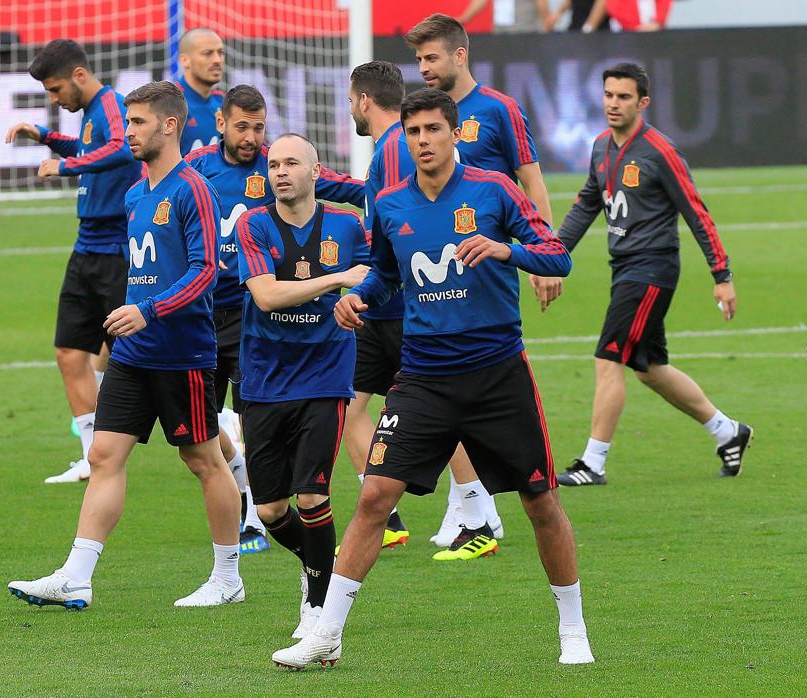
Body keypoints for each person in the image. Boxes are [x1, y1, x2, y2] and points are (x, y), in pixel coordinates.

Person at [270, 88, 593, 668]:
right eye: (413, 132)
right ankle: (326, 636)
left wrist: (504, 250)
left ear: (454, 133)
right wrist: (357, 299)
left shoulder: (495, 190)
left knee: (541, 500)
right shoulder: (390, 204)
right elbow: (385, 277)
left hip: (497, 374)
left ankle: (573, 629)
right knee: (373, 496)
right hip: (423, 377)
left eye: (432, 131)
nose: (422, 141)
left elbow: (557, 257)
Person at [8, 81, 245, 609]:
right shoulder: (137, 193)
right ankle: (77, 574)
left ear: (169, 125)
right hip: (134, 355)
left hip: (180, 353)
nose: (128, 131)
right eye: (128, 121)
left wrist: (148, 309)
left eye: (137, 123)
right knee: (104, 453)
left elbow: (207, 272)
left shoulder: (193, 189)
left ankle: (228, 576)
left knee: (203, 459)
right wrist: (133, 311)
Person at [543, 62, 749, 486]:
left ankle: (592, 463)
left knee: (608, 357)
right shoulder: (601, 146)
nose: (613, 104)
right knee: (650, 369)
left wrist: (721, 274)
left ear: (643, 102)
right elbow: (586, 205)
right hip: (624, 269)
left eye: (623, 97)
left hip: (651, 270)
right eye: (608, 95)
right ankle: (727, 431)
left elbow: (696, 213)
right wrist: (552, 254)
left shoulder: (660, 151)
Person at [185, 84, 366, 552]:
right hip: (206, 313)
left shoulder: (287, 166)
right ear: (220, 124)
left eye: (258, 127)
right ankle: (256, 500)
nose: (251, 137)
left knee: (259, 425)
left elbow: (351, 191)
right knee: (200, 430)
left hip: (274, 331)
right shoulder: (198, 170)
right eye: (241, 126)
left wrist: (388, 191)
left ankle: (274, 532)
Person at [408, 12, 557, 545]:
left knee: (476, 379)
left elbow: (530, 179)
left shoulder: (498, 110)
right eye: (419, 59)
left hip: (484, 270)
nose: (423, 68)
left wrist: (536, 253)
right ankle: (470, 502)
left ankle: (480, 502)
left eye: (431, 57)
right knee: (441, 379)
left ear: (460, 55)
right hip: (430, 274)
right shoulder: (423, 118)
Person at [236, 133, 370, 639]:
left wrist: (364, 295)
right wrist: (337, 280)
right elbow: (267, 296)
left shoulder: (347, 224)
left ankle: (316, 609)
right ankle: (323, 562)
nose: (280, 172)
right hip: (266, 378)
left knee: (312, 498)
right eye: (273, 164)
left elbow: (377, 276)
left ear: (317, 172)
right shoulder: (253, 224)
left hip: (325, 375)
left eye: (292, 162)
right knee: (271, 510)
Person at [4, 39, 141, 484]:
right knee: (68, 352)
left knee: (137, 360)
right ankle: (91, 456)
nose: (54, 98)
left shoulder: (113, 104)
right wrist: (44, 136)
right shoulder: (90, 114)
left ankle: (217, 423)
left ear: (79, 76)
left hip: (118, 250)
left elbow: (122, 148)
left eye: (55, 88)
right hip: (86, 247)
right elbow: (90, 148)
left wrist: (64, 168)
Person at [342, 60, 417, 551]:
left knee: (438, 410)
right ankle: (387, 516)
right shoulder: (394, 148)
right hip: (393, 301)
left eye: (352, 100)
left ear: (364, 100)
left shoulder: (392, 149)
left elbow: (396, 225)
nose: (351, 109)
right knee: (350, 406)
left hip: (392, 303)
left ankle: (475, 512)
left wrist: (368, 283)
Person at [176, 27, 225, 154]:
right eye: (208, 53)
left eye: (220, 53)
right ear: (184, 60)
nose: (217, 60)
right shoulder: (168, 103)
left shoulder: (223, 103)